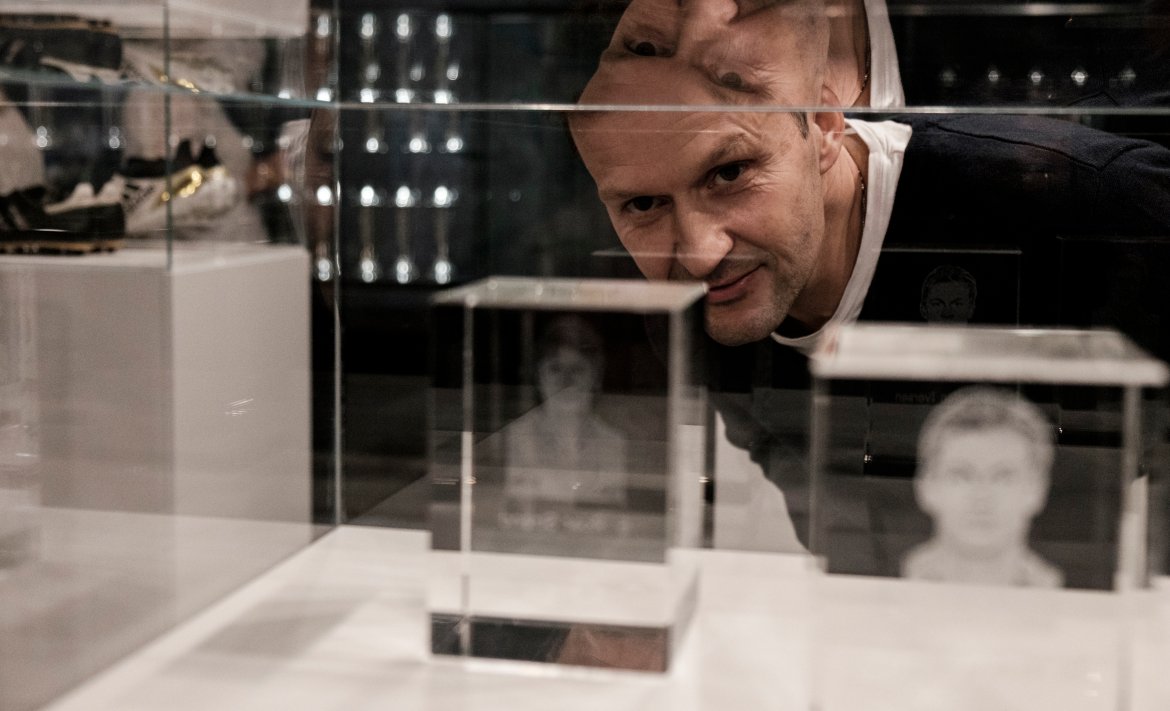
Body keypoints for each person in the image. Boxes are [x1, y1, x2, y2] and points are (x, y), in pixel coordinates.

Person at [902, 387, 1063, 588]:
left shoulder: (1073, 598)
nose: (981, 495)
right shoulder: (883, 586)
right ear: (926, 486)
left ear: (1037, 489)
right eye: (962, 476)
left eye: (1002, 477)